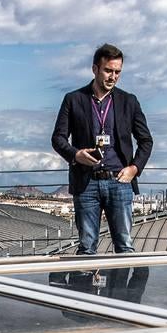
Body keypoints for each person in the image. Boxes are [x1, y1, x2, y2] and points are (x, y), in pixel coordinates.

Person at [52, 43, 153, 254]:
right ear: (95, 69)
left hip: (120, 181)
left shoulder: (129, 101)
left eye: (118, 72)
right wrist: (76, 155)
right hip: (86, 183)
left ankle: (126, 289)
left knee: (125, 246)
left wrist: (134, 168)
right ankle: (84, 287)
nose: (113, 76)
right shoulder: (74, 99)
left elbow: (146, 141)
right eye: (108, 70)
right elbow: (58, 138)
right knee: (87, 247)